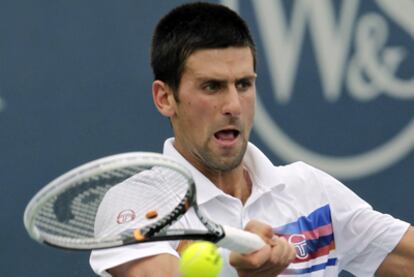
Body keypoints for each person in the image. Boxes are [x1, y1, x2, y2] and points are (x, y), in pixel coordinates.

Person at [90, 2, 414, 276]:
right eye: (211, 87)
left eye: (244, 84)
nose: (232, 106)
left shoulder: (311, 192)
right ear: (165, 98)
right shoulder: (136, 206)